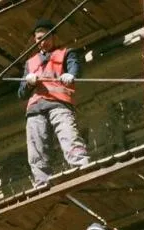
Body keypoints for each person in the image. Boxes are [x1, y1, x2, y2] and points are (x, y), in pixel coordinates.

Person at [17, 18, 90, 188]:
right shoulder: (30, 62)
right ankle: (41, 181)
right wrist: (28, 83)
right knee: (36, 148)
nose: (42, 42)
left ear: (53, 36)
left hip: (59, 103)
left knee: (68, 136)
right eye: (38, 39)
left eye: (46, 37)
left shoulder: (66, 53)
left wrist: (71, 75)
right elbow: (21, 93)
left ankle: (81, 165)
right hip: (36, 108)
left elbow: (75, 68)